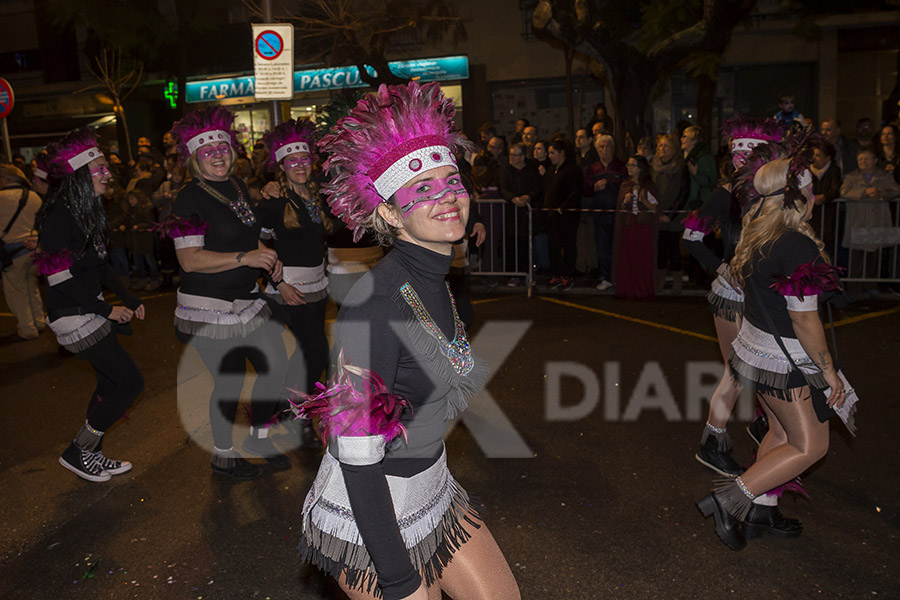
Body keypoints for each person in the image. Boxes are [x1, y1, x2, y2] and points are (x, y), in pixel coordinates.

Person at [293, 81, 520, 600]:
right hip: (371, 509)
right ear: (392, 214)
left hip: (432, 488)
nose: (446, 198)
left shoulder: (435, 277)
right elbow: (355, 455)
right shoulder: (373, 305)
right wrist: (397, 578)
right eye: (423, 189)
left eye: (452, 180)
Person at [698, 135, 857, 551]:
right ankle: (731, 498)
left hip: (756, 352)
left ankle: (761, 509)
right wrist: (828, 372)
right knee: (811, 445)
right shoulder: (797, 244)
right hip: (784, 360)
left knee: (785, 435)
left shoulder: (757, 234)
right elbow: (805, 322)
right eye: (809, 190)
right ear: (801, 196)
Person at [165, 107, 289, 479]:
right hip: (207, 307)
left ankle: (258, 437)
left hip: (246, 299)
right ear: (194, 159)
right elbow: (189, 260)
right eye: (207, 151)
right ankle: (223, 456)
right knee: (230, 379)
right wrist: (245, 256)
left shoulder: (235, 186)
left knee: (274, 365)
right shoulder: (188, 199)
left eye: (222, 148)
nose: (217, 154)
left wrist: (268, 259)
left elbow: (249, 233)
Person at [35, 128, 145, 482]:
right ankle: (78, 451)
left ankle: (89, 455)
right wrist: (106, 310)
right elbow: (58, 279)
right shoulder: (58, 217)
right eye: (99, 169)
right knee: (129, 383)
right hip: (73, 315)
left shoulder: (87, 211)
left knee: (109, 385)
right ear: (81, 175)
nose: (108, 174)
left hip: (88, 310)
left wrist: (128, 298)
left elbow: (100, 265)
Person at [683, 115, 781, 476]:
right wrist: (722, 268)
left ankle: (765, 421)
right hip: (735, 296)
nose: (747, 164)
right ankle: (713, 441)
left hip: (765, 293)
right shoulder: (725, 194)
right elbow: (691, 237)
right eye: (742, 158)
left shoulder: (772, 194)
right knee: (738, 371)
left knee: (771, 364)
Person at [258, 119, 331, 447]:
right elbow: (256, 244)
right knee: (316, 354)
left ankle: (279, 408)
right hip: (291, 289)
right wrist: (278, 282)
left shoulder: (316, 196)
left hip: (319, 287)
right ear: (281, 167)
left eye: (304, 160)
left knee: (305, 354)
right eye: (292, 161)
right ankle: (293, 411)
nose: (300, 166)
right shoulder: (274, 200)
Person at [840, 147, 900, 293]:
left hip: (877, 220)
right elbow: (844, 192)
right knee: (857, 255)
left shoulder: (884, 176)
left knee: (875, 254)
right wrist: (864, 192)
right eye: (861, 159)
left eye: (867, 159)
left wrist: (883, 193)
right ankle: (855, 286)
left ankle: (871, 284)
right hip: (859, 220)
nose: (863, 162)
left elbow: (896, 190)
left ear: (875, 160)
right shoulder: (851, 176)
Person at [1, 164, 45, 340]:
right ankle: (40, 321)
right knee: (32, 286)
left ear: (5, 179)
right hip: (34, 248)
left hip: (12, 252)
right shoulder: (34, 196)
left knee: (16, 291)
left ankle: (27, 329)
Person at [583, 134, 627, 290]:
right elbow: (585, 190)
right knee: (603, 247)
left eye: (607, 146)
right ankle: (607, 277)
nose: (604, 149)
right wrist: (594, 187)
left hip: (618, 214)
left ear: (613, 148)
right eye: (601, 147)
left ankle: (621, 277)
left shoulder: (622, 167)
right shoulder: (592, 169)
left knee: (620, 246)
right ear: (597, 149)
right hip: (600, 214)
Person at [611, 155, 658, 299]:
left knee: (641, 258)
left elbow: (655, 209)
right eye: (628, 165)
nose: (629, 168)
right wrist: (625, 202)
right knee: (628, 256)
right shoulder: (625, 185)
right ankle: (627, 288)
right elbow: (621, 207)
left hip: (642, 226)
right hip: (628, 225)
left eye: (633, 166)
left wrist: (643, 200)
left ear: (640, 169)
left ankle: (641, 289)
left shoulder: (648, 186)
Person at [500, 142, 542, 285]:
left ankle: (527, 273)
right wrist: (512, 198)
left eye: (515, 155)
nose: (512, 158)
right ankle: (513, 273)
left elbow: (537, 188)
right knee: (511, 243)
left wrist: (528, 197)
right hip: (511, 212)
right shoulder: (506, 169)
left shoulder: (531, 170)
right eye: (510, 154)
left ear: (523, 157)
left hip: (526, 213)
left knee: (526, 243)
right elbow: (503, 188)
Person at [652, 133, 689, 293]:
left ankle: (677, 281)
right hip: (657, 214)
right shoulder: (653, 167)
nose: (662, 149)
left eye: (666, 146)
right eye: (660, 145)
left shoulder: (681, 167)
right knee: (660, 249)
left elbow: (683, 192)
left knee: (674, 248)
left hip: (674, 216)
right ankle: (659, 280)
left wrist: (670, 215)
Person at [545, 139, 583, 289]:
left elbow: (576, 191)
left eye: (552, 153)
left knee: (568, 245)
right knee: (553, 245)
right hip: (552, 215)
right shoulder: (552, 170)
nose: (550, 156)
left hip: (567, 216)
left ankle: (568, 274)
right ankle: (556, 274)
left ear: (562, 153)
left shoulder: (573, 170)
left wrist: (563, 207)